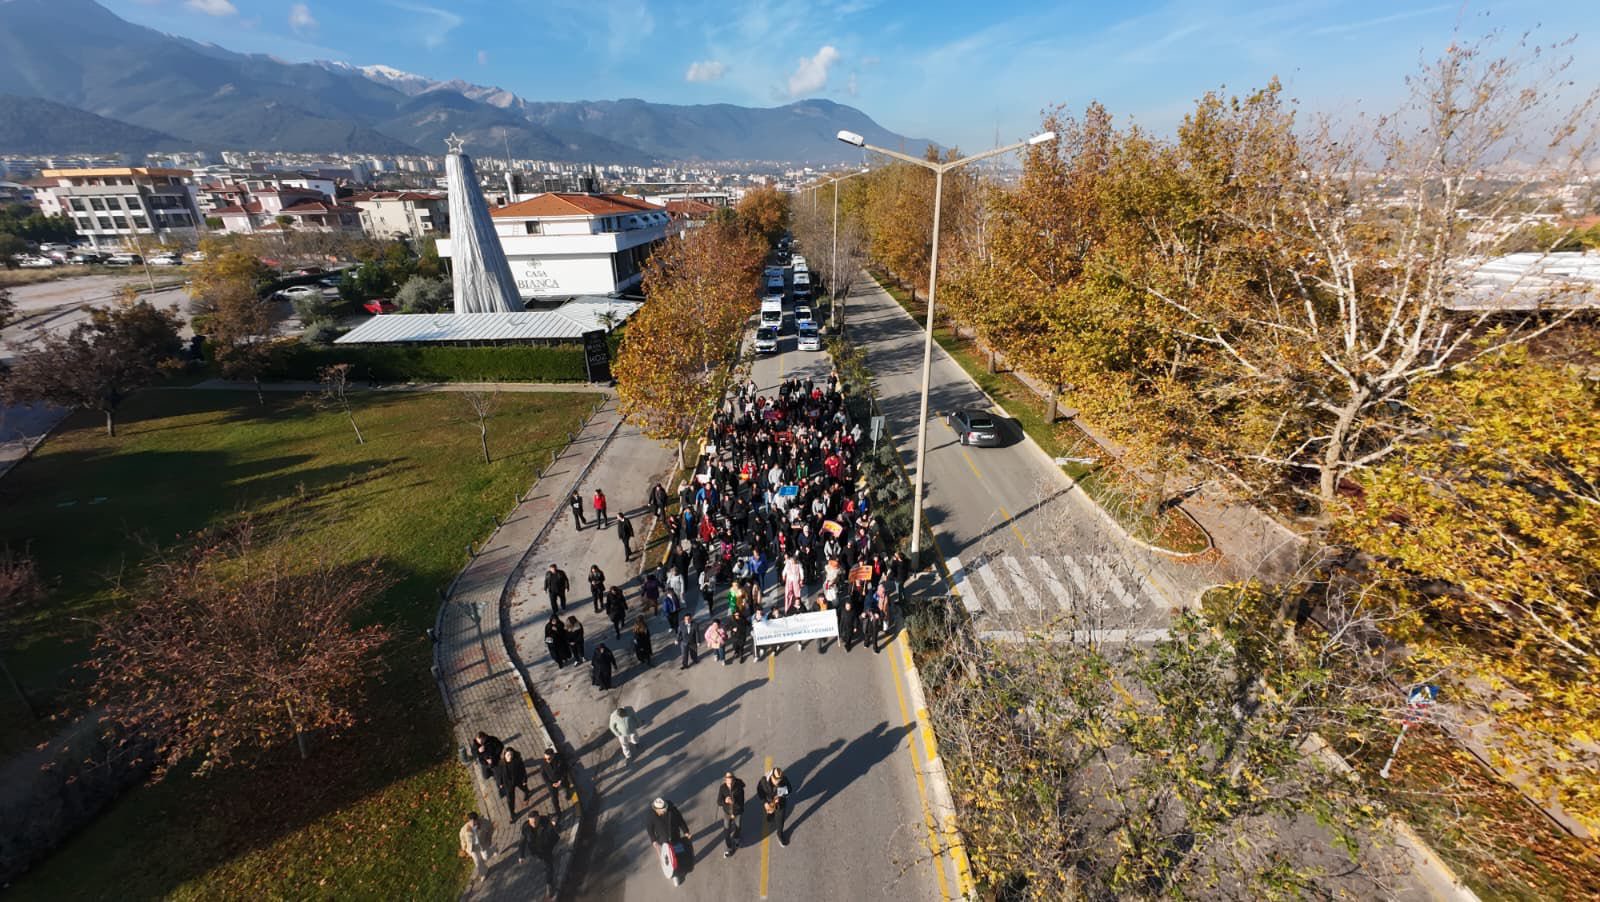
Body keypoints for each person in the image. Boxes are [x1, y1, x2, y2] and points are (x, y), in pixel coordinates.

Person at [644, 797, 692, 887]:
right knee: (669, 859)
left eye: (665, 808)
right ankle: (675, 876)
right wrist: (653, 840)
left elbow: (680, 820)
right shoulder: (651, 816)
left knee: (677, 855)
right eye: (662, 810)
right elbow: (649, 829)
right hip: (664, 841)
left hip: (675, 837)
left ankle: (679, 869)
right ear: (656, 809)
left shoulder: (672, 810)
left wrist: (686, 831)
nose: (664, 811)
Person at [518, 811, 559, 901]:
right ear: (529, 821)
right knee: (547, 862)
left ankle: (549, 885)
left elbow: (553, 817)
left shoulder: (544, 820)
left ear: (539, 818)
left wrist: (554, 822)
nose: (533, 824)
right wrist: (521, 855)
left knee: (549, 865)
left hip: (547, 846)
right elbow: (522, 842)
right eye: (531, 822)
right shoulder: (526, 828)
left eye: (535, 822)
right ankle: (549, 881)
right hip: (537, 850)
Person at [756, 765, 792, 847]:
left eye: (779, 780)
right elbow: (759, 791)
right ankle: (770, 815)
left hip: (780, 803)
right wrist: (765, 802)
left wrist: (779, 794)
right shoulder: (764, 781)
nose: (777, 782)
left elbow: (789, 789)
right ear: (771, 776)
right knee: (770, 812)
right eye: (776, 780)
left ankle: (779, 834)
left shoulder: (784, 780)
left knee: (780, 819)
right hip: (769, 802)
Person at [495, 745, 533, 822]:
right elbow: (499, 775)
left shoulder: (517, 761)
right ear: (504, 755)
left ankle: (527, 793)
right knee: (510, 800)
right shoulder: (501, 764)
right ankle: (512, 814)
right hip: (508, 784)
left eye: (511, 754)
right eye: (508, 755)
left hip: (518, 780)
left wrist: (524, 780)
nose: (510, 756)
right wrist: (500, 783)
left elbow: (523, 771)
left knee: (524, 788)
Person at [460, 811, 495, 884]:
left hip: (482, 844)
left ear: (477, 819)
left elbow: (491, 828)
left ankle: (494, 849)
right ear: (468, 820)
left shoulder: (484, 823)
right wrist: (464, 847)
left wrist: (489, 838)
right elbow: (462, 838)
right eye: (470, 821)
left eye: (474, 821)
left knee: (486, 857)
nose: (472, 823)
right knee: (477, 862)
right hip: (472, 848)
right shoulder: (465, 829)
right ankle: (483, 873)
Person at [716, 771, 746, 858]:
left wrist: (734, 802)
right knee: (726, 830)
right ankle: (729, 847)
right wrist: (725, 801)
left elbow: (741, 802)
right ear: (725, 780)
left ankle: (736, 839)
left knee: (738, 826)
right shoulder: (722, 788)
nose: (729, 782)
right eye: (727, 780)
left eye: (730, 780)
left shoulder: (739, 788)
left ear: (733, 779)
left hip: (737, 812)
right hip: (727, 812)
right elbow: (718, 802)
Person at [539, 746, 570, 818]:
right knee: (554, 799)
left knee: (566, 786)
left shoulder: (560, 760)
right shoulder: (543, 764)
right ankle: (558, 812)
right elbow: (544, 776)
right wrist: (551, 784)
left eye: (549, 758)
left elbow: (566, 770)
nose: (547, 760)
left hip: (561, 779)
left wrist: (560, 781)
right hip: (551, 783)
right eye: (545, 758)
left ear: (553, 756)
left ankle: (568, 793)